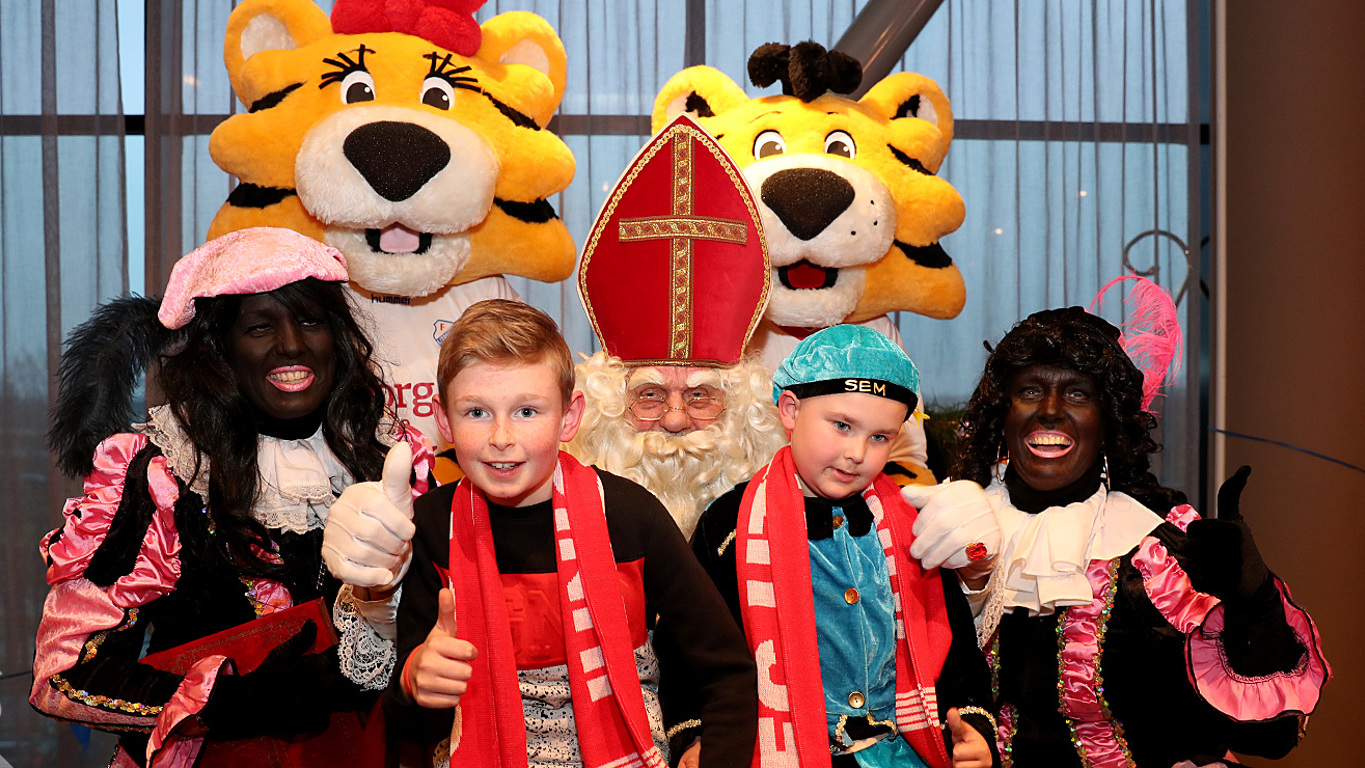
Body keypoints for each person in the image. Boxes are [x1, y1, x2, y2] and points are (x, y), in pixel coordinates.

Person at [31, 227, 432, 768]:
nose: (291, 344)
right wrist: (233, 700)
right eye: (260, 326)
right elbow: (63, 675)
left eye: (310, 320)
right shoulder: (159, 476)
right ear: (219, 349)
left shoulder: (390, 458)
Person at [907, 304, 1331, 767]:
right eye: (1030, 390)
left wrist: (1255, 602)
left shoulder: (1160, 550)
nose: (1050, 412)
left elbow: (1272, 739)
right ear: (1001, 414)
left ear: (1108, 421)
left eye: (1077, 395)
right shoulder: (952, 528)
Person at [374, 299, 757, 768]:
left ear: (569, 417)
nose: (500, 437)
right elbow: (412, 724)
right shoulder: (434, 526)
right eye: (476, 412)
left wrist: (712, 753)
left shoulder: (630, 516)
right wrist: (417, 681)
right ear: (444, 420)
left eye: (527, 411)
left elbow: (727, 669)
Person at [684, 324, 999, 768]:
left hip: (902, 753)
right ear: (790, 411)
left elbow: (954, 646)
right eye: (842, 426)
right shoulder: (730, 525)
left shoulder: (914, 526)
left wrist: (975, 730)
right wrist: (695, 737)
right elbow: (693, 648)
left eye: (879, 437)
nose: (857, 453)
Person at [569, 113, 785, 538]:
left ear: (743, 411)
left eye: (700, 397)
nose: (674, 421)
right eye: (648, 396)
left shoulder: (781, 524)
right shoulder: (561, 522)